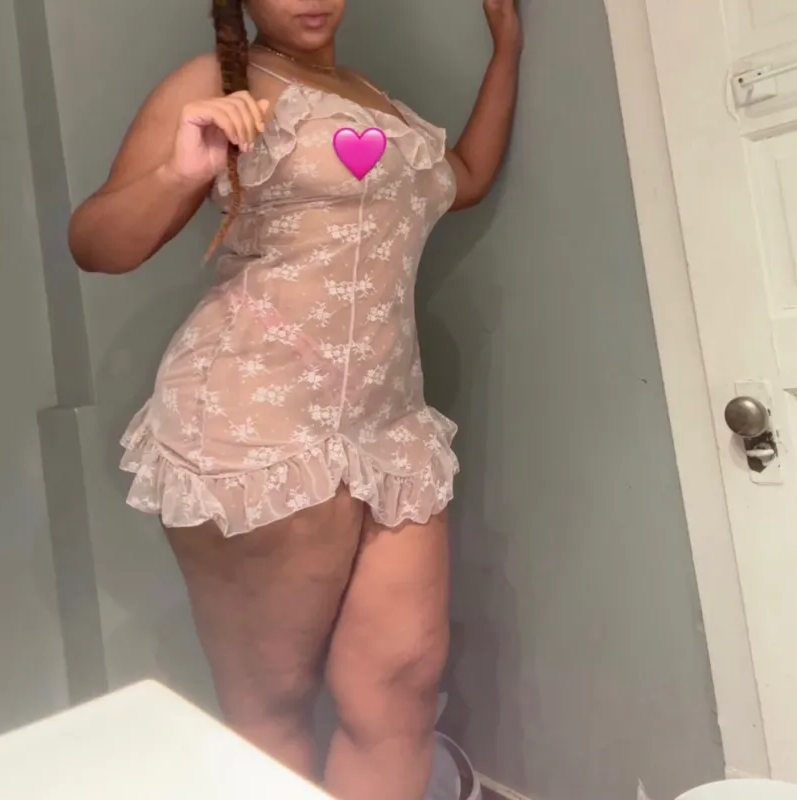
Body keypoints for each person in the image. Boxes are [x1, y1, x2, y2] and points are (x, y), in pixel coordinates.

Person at [68, 1, 520, 797]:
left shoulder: (372, 99)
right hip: (257, 435)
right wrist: (181, 174)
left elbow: (468, 178)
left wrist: (506, 48)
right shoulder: (215, 82)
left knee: (401, 691)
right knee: (270, 713)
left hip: (386, 429)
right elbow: (95, 243)